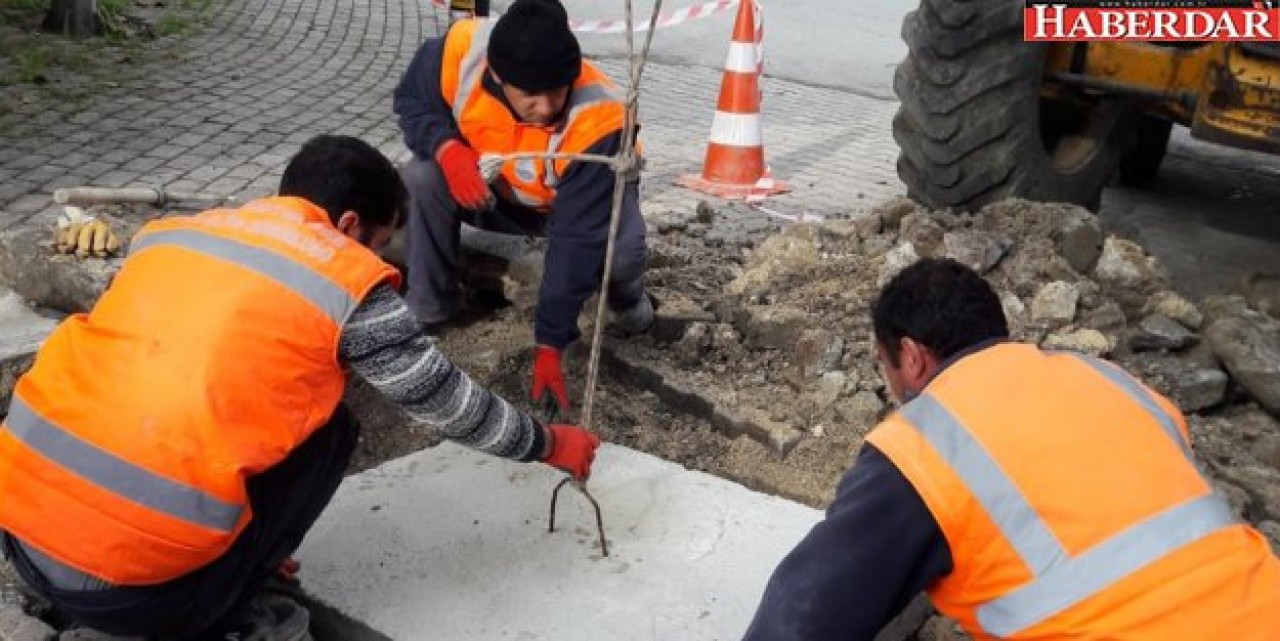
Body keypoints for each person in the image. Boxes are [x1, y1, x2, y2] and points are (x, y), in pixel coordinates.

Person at [0, 135, 601, 641]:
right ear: (348, 225)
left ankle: (226, 553)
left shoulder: (174, 236)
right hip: (137, 597)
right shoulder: (340, 278)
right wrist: (548, 444)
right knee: (330, 426)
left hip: (20, 533)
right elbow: (445, 401)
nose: (376, 257)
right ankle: (235, 596)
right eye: (379, 241)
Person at [743, 258, 1280, 640]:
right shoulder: (1112, 382)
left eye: (884, 366)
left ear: (911, 357)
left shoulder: (927, 441)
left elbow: (801, 618)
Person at [393, 0, 654, 419]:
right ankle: (430, 306)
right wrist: (447, 150)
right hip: (493, 194)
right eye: (531, 95)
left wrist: (550, 341)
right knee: (421, 177)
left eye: (558, 90)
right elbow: (413, 101)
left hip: (578, 205)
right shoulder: (461, 52)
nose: (547, 107)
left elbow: (576, 239)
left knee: (617, 254)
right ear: (499, 77)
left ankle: (628, 299)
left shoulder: (600, 120)